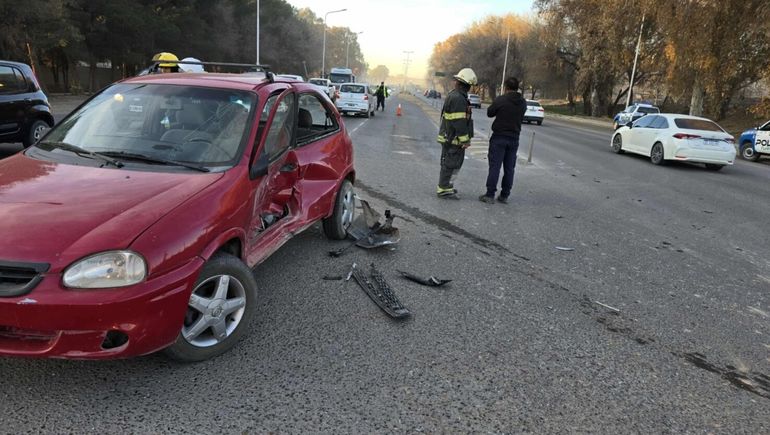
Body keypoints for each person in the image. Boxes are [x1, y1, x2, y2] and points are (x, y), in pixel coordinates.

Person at [479, 77, 526, 204]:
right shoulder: (522, 102)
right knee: (509, 168)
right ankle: (504, 195)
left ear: (505, 87)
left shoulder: (501, 99)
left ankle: (490, 195)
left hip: (499, 137)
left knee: (495, 166)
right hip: (514, 138)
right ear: (517, 88)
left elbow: (490, 112)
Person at [436, 68, 477, 199]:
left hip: (451, 137)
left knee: (452, 163)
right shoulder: (458, 98)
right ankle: (443, 189)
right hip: (453, 139)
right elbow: (459, 122)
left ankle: (447, 186)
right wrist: (465, 140)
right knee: (450, 164)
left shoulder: (456, 96)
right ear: (467, 85)